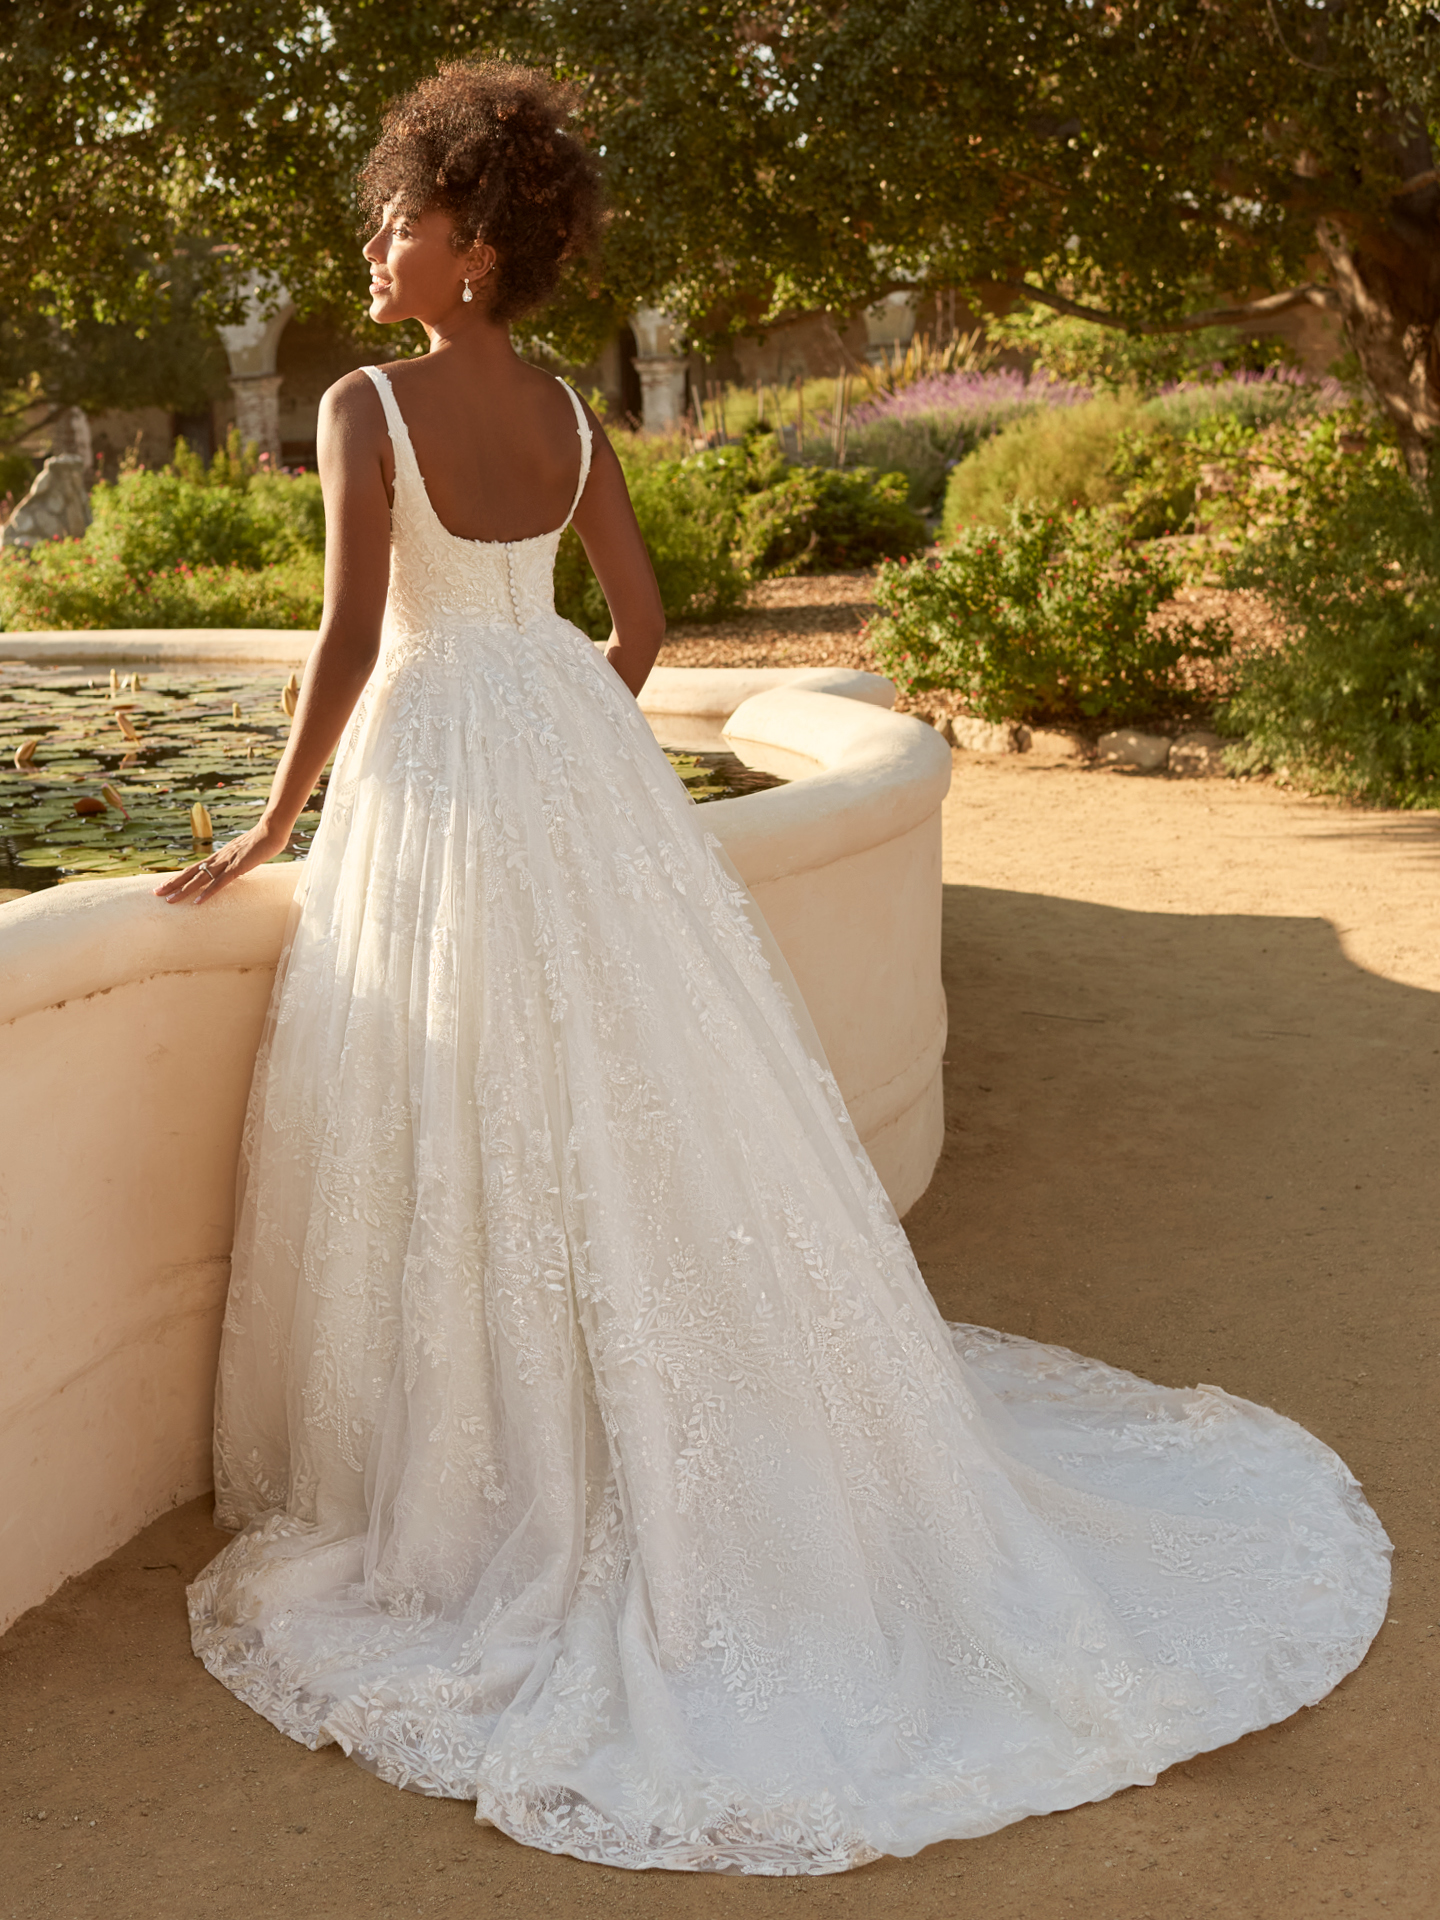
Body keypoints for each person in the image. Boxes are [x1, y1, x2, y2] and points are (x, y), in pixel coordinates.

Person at [161, 60, 1391, 1877]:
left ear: (474, 248)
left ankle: (496, 1460)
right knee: (639, 1104)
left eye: (404, 218)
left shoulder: (366, 407)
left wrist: (270, 831)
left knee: (469, 1107)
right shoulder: (573, 410)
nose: (376, 242)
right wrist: (554, 728)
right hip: (569, 779)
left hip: (435, 781)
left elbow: (347, 638)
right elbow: (644, 630)